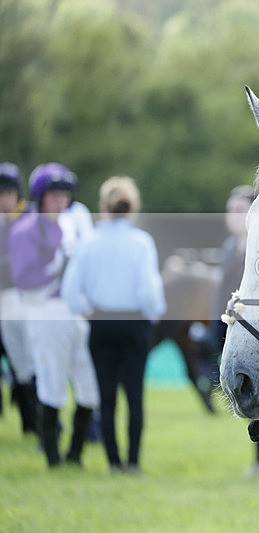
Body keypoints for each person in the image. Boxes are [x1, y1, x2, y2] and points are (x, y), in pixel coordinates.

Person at [62, 176, 166, 475]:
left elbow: (71, 290)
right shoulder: (140, 242)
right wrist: (153, 315)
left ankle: (113, 462)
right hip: (134, 323)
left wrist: (85, 311)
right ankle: (133, 463)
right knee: (134, 396)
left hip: (101, 322)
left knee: (106, 398)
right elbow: (149, 290)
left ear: (104, 206)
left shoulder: (90, 242)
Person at [8, 162, 100, 468]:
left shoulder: (70, 224)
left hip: (74, 312)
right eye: (53, 194)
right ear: (40, 196)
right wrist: (56, 271)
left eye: (64, 194)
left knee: (88, 388)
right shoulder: (26, 229)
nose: (59, 200)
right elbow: (23, 279)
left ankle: (75, 454)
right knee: (52, 385)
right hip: (45, 311)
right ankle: (52, 457)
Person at [214, 185, 259, 480]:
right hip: (235, 328)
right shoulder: (230, 248)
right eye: (231, 209)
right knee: (251, 397)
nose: (234, 216)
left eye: (240, 209)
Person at [0, 161, 37, 429]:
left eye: (7, 192)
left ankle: (31, 422)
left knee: (27, 366)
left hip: (24, 302)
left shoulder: (32, 220)